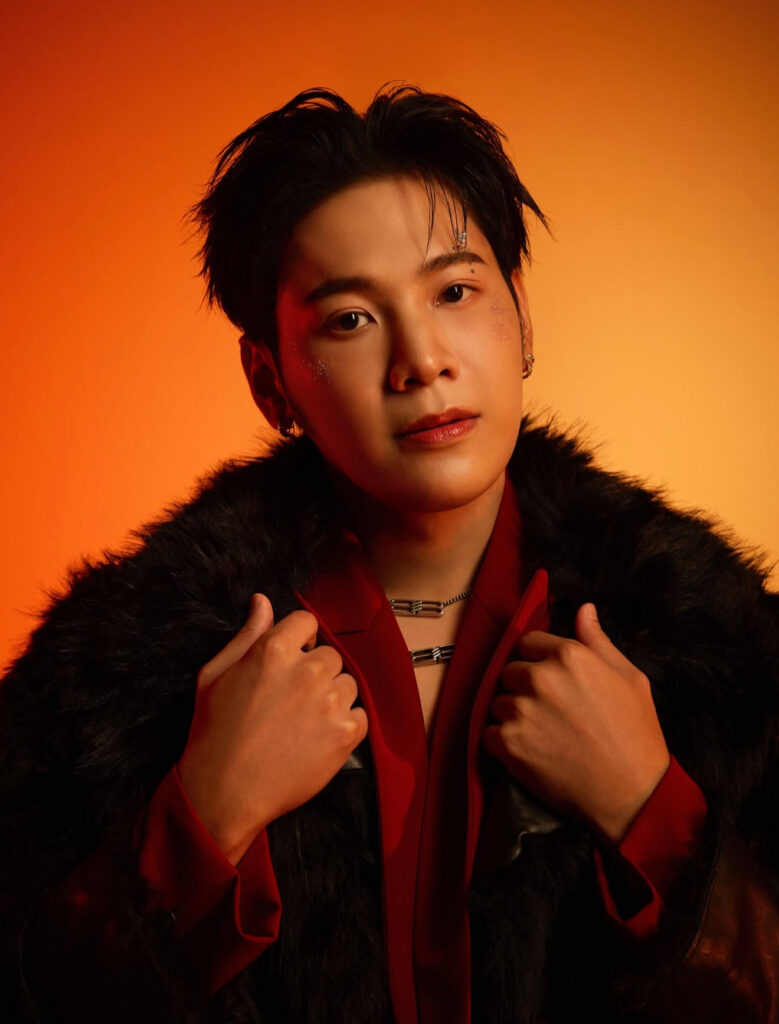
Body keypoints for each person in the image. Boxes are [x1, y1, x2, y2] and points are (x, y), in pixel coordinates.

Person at [1, 84, 777, 1024]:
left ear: (522, 320)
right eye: (349, 320)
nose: (422, 360)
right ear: (270, 382)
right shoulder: (114, 678)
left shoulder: (722, 650)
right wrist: (205, 814)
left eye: (454, 292)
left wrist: (646, 809)